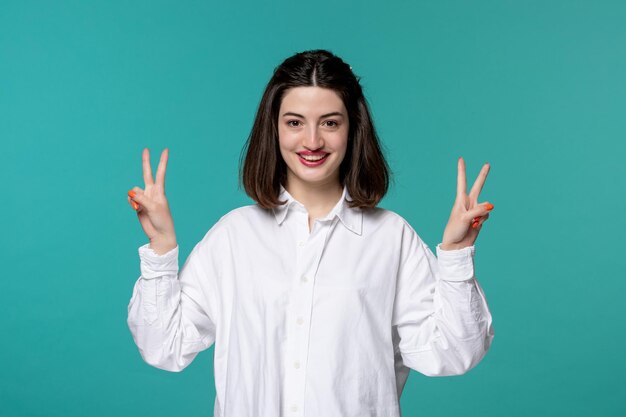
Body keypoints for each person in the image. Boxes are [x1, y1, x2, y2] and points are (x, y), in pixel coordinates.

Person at [126, 49, 494, 417]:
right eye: (295, 122)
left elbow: (452, 353)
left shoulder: (390, 238)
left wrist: (457, 255)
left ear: (352, 128)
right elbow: (165, 346)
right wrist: (160, 249)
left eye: (330, 123)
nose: (313, 141)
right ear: (274, 128)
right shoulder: (233, 236)